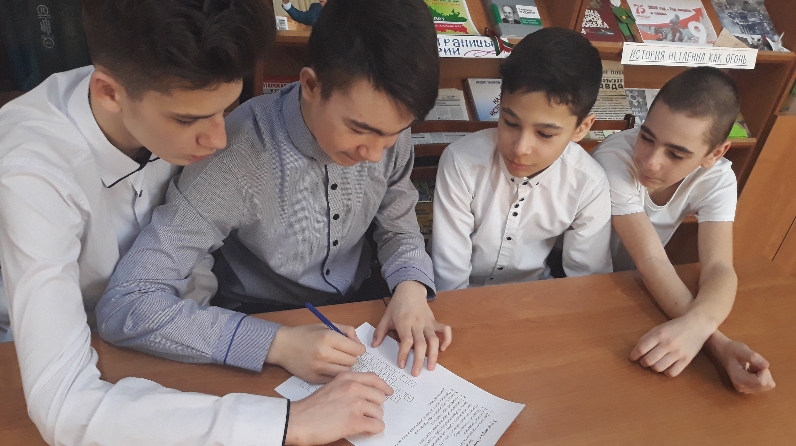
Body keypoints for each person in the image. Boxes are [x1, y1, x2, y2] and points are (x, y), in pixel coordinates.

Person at [0, 1, 397, 445]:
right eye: (188, 119)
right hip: (76, 353)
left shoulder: (166, 97)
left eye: (226, 108)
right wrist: (290, 422)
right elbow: (64, 406)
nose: (218, 140)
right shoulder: (32, 173)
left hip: (193, 333)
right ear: (109, 93)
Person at [98, 0, 451, 392]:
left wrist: (410, 287)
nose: (374, 153)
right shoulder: (234, 154)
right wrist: (275, 343)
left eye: (393, 133)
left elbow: (398, 224)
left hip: (361, 307)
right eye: (358, 129)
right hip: (264, 317)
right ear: (311, 85)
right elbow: (128, 304)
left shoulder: (386, 130)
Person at [592, 67, 775, 394]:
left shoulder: (718, 178)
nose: (650, 161)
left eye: (675, 153)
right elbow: (651, 260)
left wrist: (698, 327)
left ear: (715, 153)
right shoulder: (614, 158)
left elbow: (719, 267)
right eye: (646, 137)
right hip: (587, 285)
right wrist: (718, 344)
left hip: (639, 290)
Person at [431, 27, 612, 291]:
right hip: (462, 298)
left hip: (535, 296)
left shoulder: (588, 183)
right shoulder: (462, 162)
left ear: (582, 128)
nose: (520, 149)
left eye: (545, 134)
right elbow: (449, 279)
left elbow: (587, 281)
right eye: (510, 123)